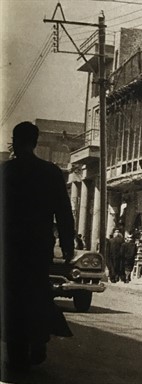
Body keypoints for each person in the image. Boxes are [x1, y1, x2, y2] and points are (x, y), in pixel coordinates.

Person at [0, 122, 74, 377]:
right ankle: (38, 341)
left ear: (14, 141)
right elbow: (64, 212)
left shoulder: (5, 172)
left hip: (9, 250)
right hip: (38, 248)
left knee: (12, 300)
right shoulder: (50, 172)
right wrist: (67, 245)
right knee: (37, 294)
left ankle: (18, 354)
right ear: (35, 141)